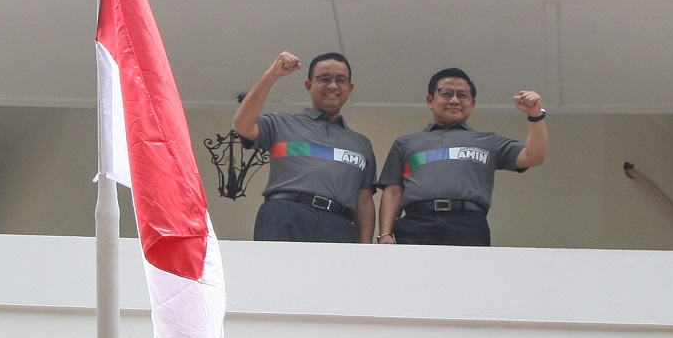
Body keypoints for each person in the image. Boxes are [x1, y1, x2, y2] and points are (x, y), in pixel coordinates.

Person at [376, 67, 547, 246]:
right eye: (446, 93)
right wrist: (385, 233)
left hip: (469, 223)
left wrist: (535, 116)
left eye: (463, 95)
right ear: (430, 100)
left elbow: (534, 156)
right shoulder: (406, 143)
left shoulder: (488, 141)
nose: (454, 100)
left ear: (472, 103)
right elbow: (393, 192)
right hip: (416, 222)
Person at [232, 51, 377, 243]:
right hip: (285, 214)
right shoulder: (280, 123)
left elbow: (364, 201)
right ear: (309, 85)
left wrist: (366, 249)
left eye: (341, 80)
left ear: (349, 88)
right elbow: (241, 125)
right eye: (324, 79)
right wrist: (271, 75)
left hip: (339, 225)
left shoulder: (361, 144)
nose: (333, 86)